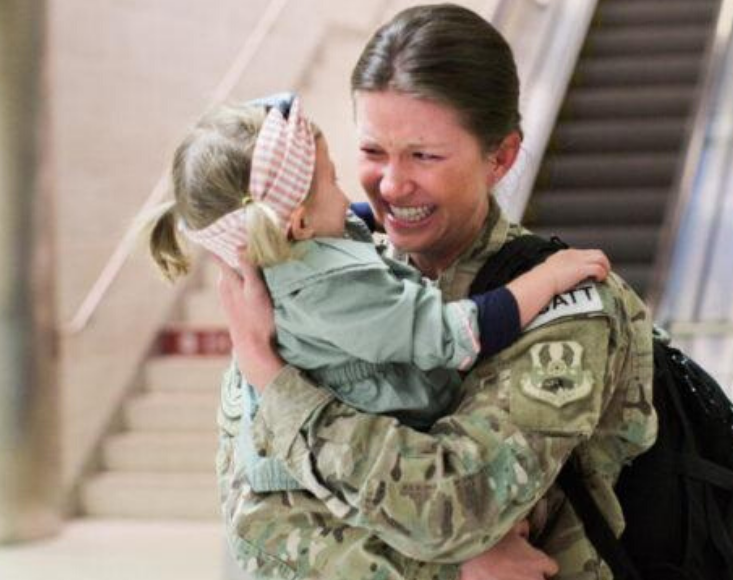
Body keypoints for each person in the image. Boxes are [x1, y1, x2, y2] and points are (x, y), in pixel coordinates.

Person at [218, 4, 658, 580]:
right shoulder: (321, 284)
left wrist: (272, 379)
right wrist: (453, 570)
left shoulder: (565, 304)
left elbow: (455, 504)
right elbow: (255, 520)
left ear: (500, 156)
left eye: (424, 155)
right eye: (373, 152)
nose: (393, 184)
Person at [148, 96, 611, 494]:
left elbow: (345, 218)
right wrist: (549, 277)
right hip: (390, 445)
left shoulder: (283, 248)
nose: (351, 190)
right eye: (331, 180)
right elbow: (453, 334)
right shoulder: (332, 290)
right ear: (300, 223)